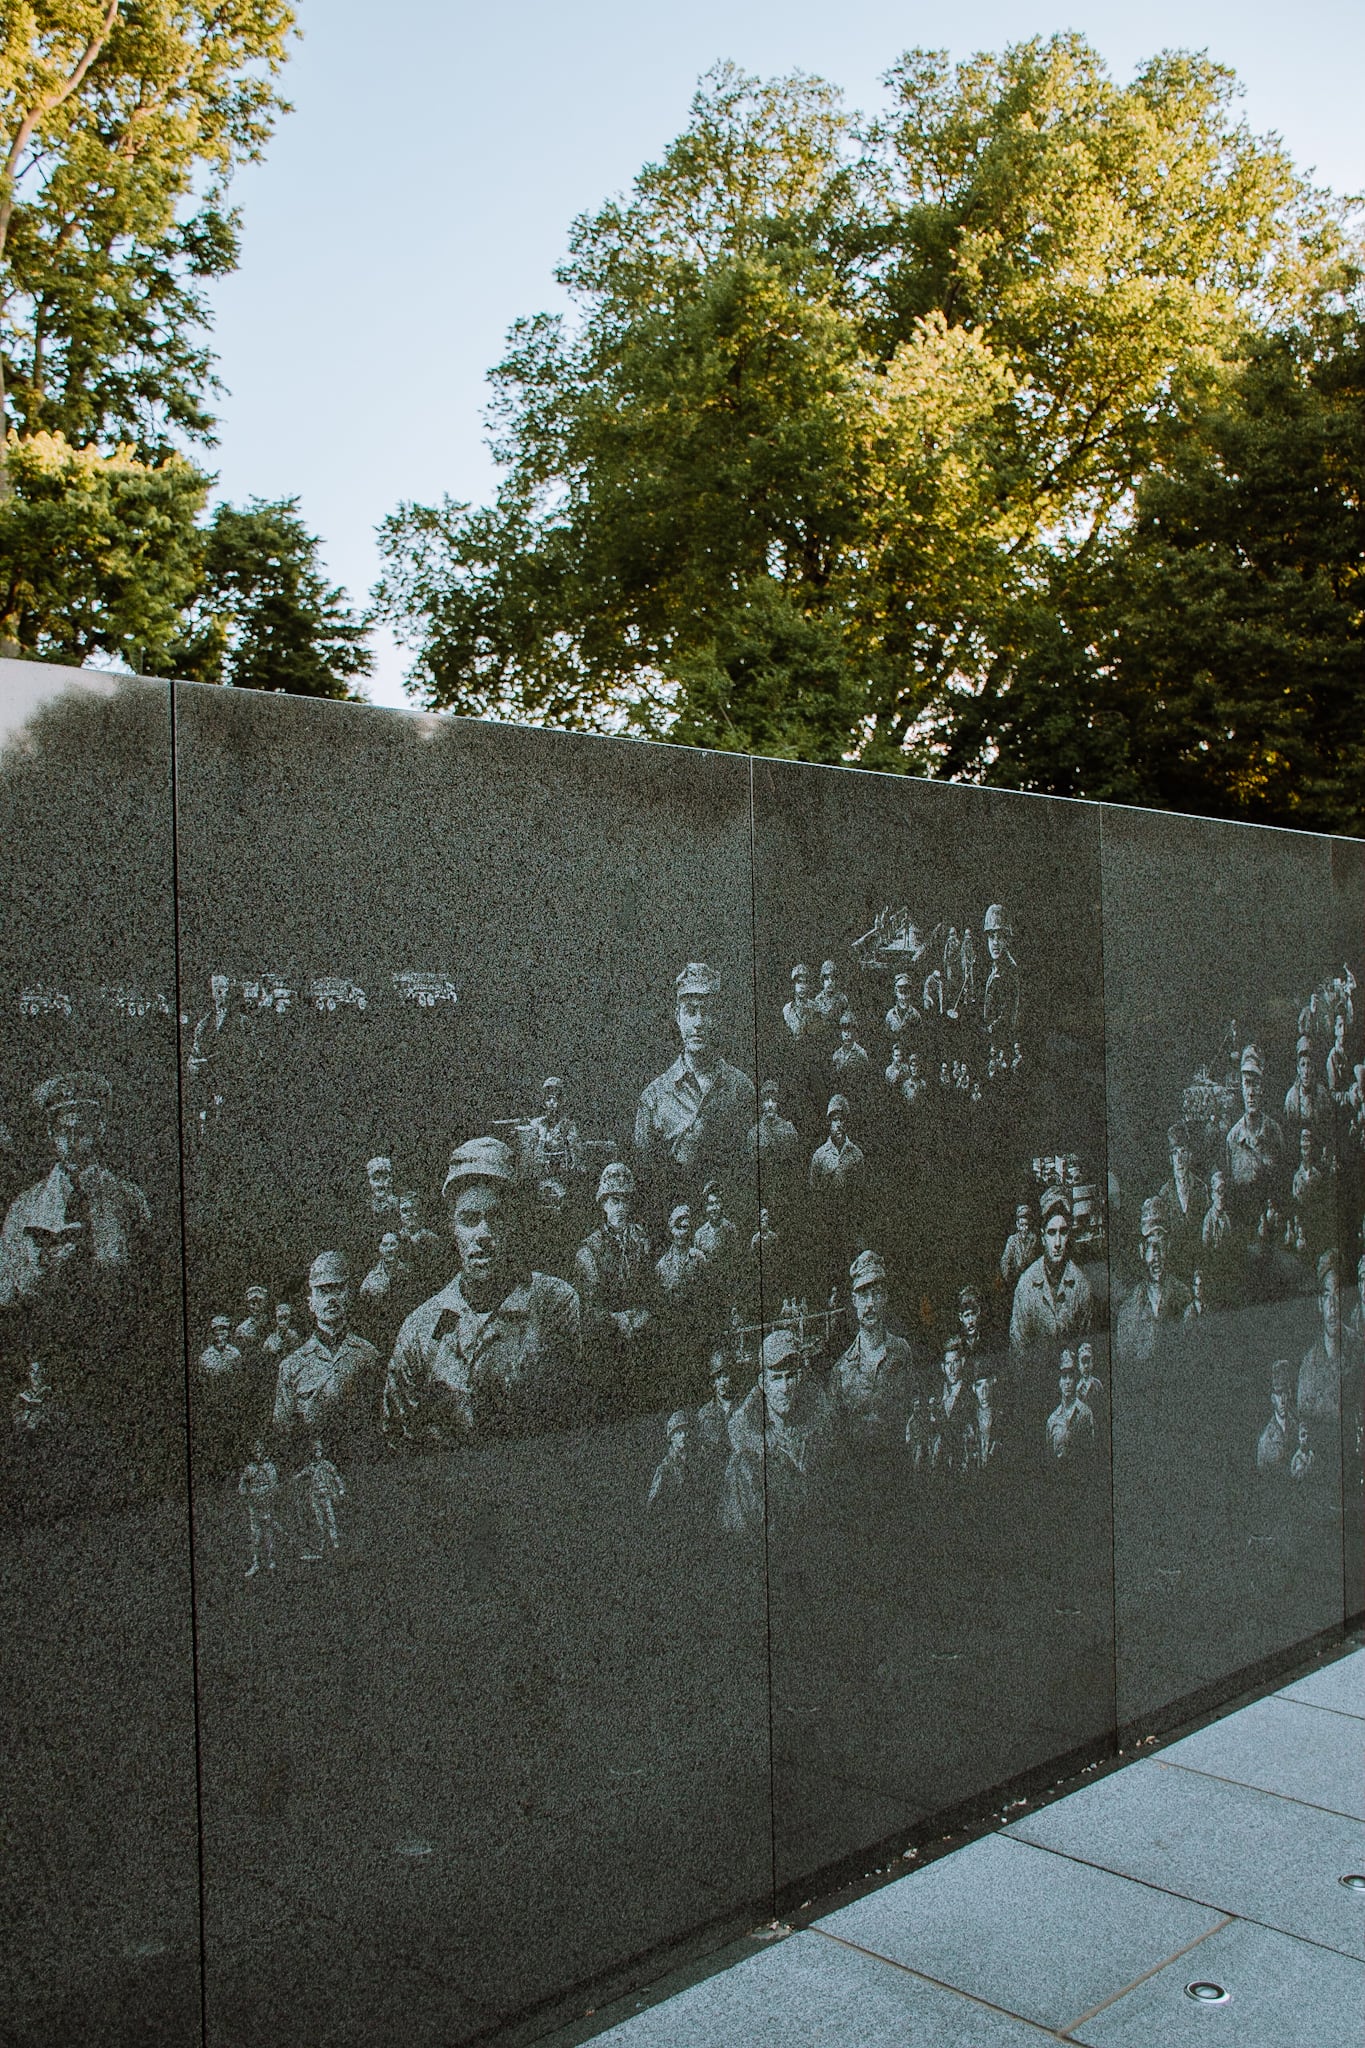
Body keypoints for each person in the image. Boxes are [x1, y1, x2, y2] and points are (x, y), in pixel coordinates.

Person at [384, 1137, 582, 1444]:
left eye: (496, 1218)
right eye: (469, 1220)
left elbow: (574, 1418)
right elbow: (399, 1443)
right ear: (452, 1227)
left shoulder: (554, 1303)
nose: (483, 1234)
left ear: (514, 1223)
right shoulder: (419, 1329)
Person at [0, 1072, 151, 1305]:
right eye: (62, 1131)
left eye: (80, 1132)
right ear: (51, 1133)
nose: (71, 1142)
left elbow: (147, 1274)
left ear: (98, 1129)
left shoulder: (127, 1198)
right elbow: (6, 1289)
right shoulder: (25, 1206)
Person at [635, 963, 757, 1182]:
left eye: (707, 1012)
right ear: (678, 1016)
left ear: (718, 1018)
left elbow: (749, 1170)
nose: (699, 1023)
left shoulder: (741, 1088)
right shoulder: (654, 1098)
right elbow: (646, 1179)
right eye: (690, 1012)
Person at [721, 1327, 830, 1537]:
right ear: (763, 1383)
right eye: (776, 1378)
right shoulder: (746, 1456)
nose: (785, 1387)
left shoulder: (820, 1431)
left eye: (790, 1376)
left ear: (800, 1378)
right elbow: (738, 1534)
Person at [273, 1252, 381, 1457]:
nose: (331, 1299)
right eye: (323, 1291)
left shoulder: (368, 1356)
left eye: (337, 1289)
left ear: (348, 1296)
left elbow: (379, 1422)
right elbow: (283, 1431)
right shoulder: (291, 1365)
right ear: (310, 1303)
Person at [828, 1249, 916, 1455]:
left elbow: (915, 1407)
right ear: (854, 1301)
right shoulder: (841, 1370)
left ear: (885, 1298)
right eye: (864, 1296)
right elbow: (834, 1435)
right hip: (858, 1476)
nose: (870, 1304)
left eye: (876, 1294)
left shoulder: (902, 1351)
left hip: (898, 1468)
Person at [575, 1161, 654, 1385]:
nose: (620, 1208)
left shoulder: (641, 1240)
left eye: (625, 1201)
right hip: (606, 1339)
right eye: (614, 1201)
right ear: (603, 1204)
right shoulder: (589, 1249)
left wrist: (643, 1312)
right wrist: (616, 1319)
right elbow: (588, 1307)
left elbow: (650, 1287)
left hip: (642, 1331)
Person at [1009, 1185, 1092, 1359]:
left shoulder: (1081, 1284)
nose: (1057, 1243)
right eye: (1051, 1233)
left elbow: (1086, 1344)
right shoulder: (1026, 1284)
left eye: (1063, 1232)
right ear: (1042, 1237)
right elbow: (1018, 1348)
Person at [1115, 1197, 1192, 1365]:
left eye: (1161, 1244)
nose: (1156, 1256)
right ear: (1142, 1250)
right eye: (1151, 1245)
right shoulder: (1129, 1308)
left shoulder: (1186, 1298)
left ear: (1169, 1245)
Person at [1298, 1249, 1357, 1422]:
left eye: (1337, 1295)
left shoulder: (1360, 1350)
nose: (1332, 1306)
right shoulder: (1309, 1367)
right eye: (1326, 1296)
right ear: (1319, 1303)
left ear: (1344, 1297)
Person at [1225, 1045, 1286, 1211]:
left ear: (1263, 1089)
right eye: (1247, 1084)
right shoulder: (1232, 1138)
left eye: (1256, 1085)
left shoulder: (1274, 1133)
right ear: (1241, 1089)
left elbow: (1283, 1185)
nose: (1251, 1092)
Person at [1158, 1122, 1208, 1274]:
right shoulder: (1165, 1193)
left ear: (1190, 1156)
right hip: (1175, 1265)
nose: (1179, 1160)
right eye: (1174, 1153)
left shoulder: (1201, 1189)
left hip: (1199, 1264)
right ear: (1170, 1159)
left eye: (1183, 1152)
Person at [519, 1077, 586, 1184]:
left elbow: (576, 1156)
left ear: (563, 1100)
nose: (552, 1103)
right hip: (539, 1176)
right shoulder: (536, 1124)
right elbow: (527, 1157)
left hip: (562, 1175)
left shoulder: (568, 1125)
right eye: (548, 1098)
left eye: (556, 1098)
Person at [239, 1442, 282, 1577]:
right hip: (253, 1506)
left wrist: (267, 1503)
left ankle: (271, 1562)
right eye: (255, 1450)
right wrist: (246, 1492)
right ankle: (256, 1563)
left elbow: (274, 1487)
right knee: (255, 1535)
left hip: (266, 1505)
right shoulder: (249, 1468)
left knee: (268, 1534)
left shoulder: (269, 1467)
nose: (257, 1453)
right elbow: (241, 1486)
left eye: (260, 1450)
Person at [981, 905, 1020, 1051]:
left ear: (1007, 940)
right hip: (994, 1041)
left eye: (1000, 937)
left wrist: (987, 1031)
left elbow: (1007, 1015)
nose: (995, 943)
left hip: (1003, 1044)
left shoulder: (1009, 971)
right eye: (992, 937)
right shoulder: (996, 967)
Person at [298, 1439, 345, 1557]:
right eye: (315, 1451)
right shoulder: (311, 1467)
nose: (317, 1454)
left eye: (319, 1451)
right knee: (319, 1521)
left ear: (322, 1452)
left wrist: (340, 1489)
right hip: (315, 1495)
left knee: (330, 1518)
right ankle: (322, 1542)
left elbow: (336, 1476)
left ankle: (335, 1542)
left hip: (326, 1494)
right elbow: (301, 1474)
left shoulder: (326, 1465)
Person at [808, 1095, 865, 1192]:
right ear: (829, 1123)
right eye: (835, 1120)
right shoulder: (820, 1155)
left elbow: (860, 1189)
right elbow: (814, 1189)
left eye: (842, 1120)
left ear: (847, 1123)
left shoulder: (856, 1154)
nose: (839, 1124)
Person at [1046, 1353, 1096, 1460]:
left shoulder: (1085, 1413)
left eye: (1071, 1377)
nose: (1068, 1382)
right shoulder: (1052, 1419)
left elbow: (1091, 1453)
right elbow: (1050, 1457)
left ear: (1076, 1380)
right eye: (1064, 1377)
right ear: (1059, 1382)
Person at [655, 1203, 705, 1302]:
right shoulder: (661, 1265)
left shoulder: (699, 1258)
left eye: (685, 1228)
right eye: (677, 1227)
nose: (681, 1233)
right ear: (671, 1229)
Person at [1284, 1035, 1332, 1131]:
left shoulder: (1322, 1094)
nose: (1306, 1071)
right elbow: (1288, 1129)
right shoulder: (1291, 1097)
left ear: (1313, 1068)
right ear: (1298, 1069)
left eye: (1309, 1065)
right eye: (1303, 1065)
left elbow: (1328, 1126)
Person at [1256, 1359, 1296, 1473]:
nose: (1283, 1401)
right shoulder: (1265, 1440)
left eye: (1285, 1393)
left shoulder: (1298, 1428)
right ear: (1273, 1398)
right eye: (1279, 1394)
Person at [748, 1080, 799, 1167]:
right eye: (766, 1100)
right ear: (761, 1104)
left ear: (778, 1103)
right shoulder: (754, 1133)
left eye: (774, 1100)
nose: (770, 1104)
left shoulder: (789, 1130)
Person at [1000, 1202, 1039, 1288]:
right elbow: (1005, 1260)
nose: (1024, 1229)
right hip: (1015, 1279)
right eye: (1022, 1225)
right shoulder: (1012, 1240)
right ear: (1017, 1225)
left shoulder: (1034, 1239)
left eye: (1026, 1225)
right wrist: (1008, 1278)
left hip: (1031, 1279)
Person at [262, 1300, 303, 1370]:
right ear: (276, 1319)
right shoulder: (270, 1339)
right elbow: (264, 1357)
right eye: (280, 1318)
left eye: (285, 1318)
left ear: (289, 1318)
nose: (283, 1321)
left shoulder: (294, 1336)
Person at [783, 964, 818, 1039]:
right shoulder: (787, 1009)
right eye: (799, 982)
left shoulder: (814, 1007)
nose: (802, 986)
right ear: (794, 984)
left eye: (805, 982)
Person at [812, 958, 847, 1028]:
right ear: (822, 980)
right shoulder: (818, 1000)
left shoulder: (842, 998)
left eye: (833, 978)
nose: (830, 982)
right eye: (827, 978)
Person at [884, 972, 920, 1039]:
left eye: (906, 987)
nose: (903, 990)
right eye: (900, 987)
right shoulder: (890, 1015)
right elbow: (887, 1037)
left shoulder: (915, 1015)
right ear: (895, 990)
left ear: (910, 990)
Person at [365, 1156, 400, 1221]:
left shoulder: (401, 1205)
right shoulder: (365, 1207)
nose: (380, 1184)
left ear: (391, 1178)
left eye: (385, 1177)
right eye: (375, 1178)